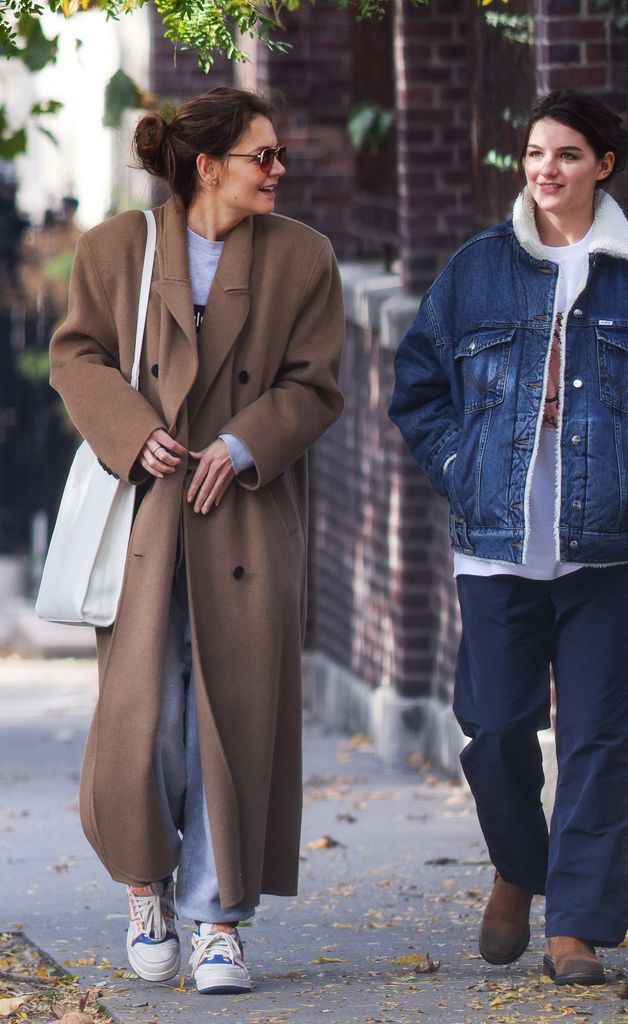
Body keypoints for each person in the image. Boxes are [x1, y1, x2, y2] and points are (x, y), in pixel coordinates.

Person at [389, 89, 628, 985]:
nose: (545, 171)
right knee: (494, 729)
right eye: (535, 153)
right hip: (497, 541)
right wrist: (463, 466)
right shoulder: (477, 271)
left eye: (566, 155)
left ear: (602, 167)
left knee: (597, 739)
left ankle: (574, 926)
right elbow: (417, 385)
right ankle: (518, 866)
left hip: (609, 545)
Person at [49, 87, 344, 994]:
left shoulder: (303, 259)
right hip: (147, 514)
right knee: (146, 717)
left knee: (235, 717)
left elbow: (314, 384)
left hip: (245, 513)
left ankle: (218, 920)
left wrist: (245, 440)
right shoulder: (116, 249)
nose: (279, 170)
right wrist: (134, 430)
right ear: (208, 166)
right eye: (264, 156)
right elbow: (77, 355)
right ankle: (147, 883)